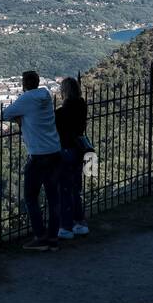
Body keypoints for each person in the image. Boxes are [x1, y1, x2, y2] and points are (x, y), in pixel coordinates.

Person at [1, 71, 62, 250]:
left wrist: (19, 120)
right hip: (55, 151)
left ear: (24, 84)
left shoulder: (26, 99)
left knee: (30, 196)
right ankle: (53, 238)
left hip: (38, 154)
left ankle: (40, 237)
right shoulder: (46, 95)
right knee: (53, 197)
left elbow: (5, 114)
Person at [54, 76, 89, 239]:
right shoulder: (82, 105)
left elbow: (57, 129)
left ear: (64, 91)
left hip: (66, 150)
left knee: (65, 190)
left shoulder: (62, 112)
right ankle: (80, 223)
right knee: (76, 189)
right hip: (80, 150)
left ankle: (66, 227)